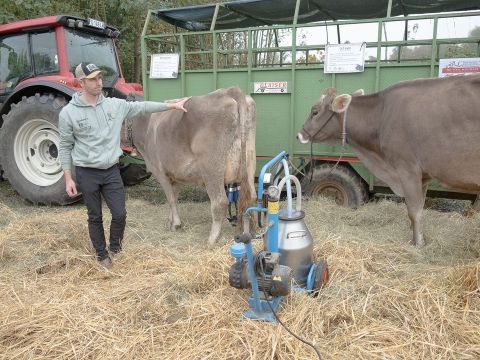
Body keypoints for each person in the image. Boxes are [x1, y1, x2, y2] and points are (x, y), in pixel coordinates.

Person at [58, 62, 190, 270]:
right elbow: (64, 146)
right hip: (87, 172)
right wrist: (68, 178)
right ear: (82, 82)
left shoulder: (113, 105)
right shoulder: (68, 114)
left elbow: (142, 107)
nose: (98, 82)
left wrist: (171, 105)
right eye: (92, 79)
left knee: (120, 214)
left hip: (111, 170)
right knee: (95, 216)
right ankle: (102, 256)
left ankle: (115, 248)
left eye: (100, 77)